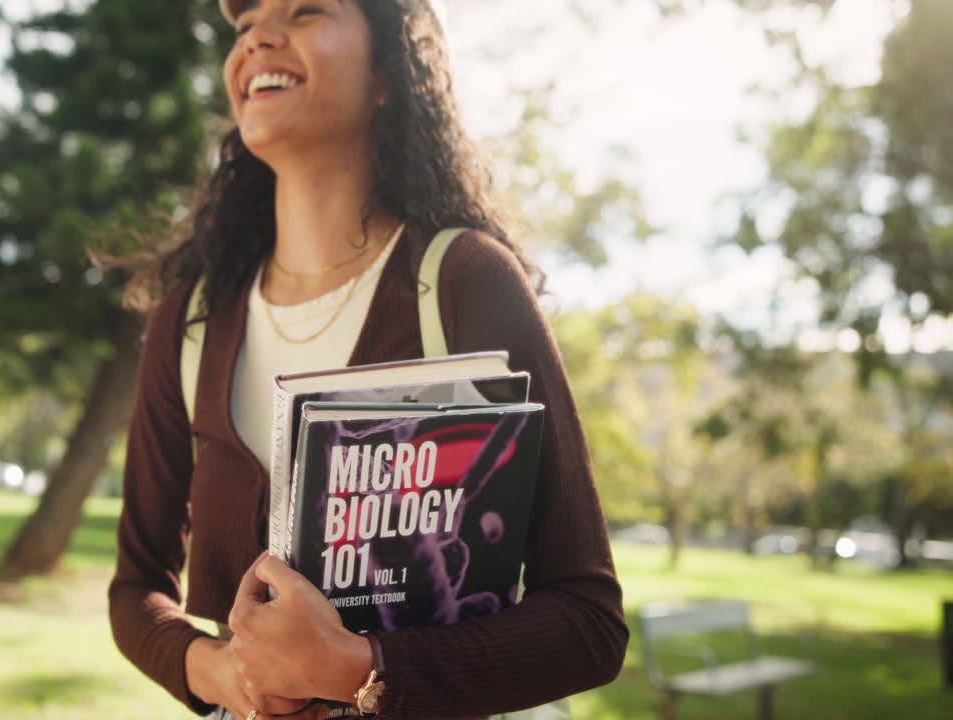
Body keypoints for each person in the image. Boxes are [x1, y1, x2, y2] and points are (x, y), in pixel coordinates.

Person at [107, 1, 628, 718]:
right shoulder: (189, 320)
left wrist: (362, 670)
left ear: (389, 70)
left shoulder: (464, 284)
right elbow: (136, 588)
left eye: (306, 8)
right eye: (243, 23)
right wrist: (223, 673)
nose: (258, 35)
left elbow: (588, 623)